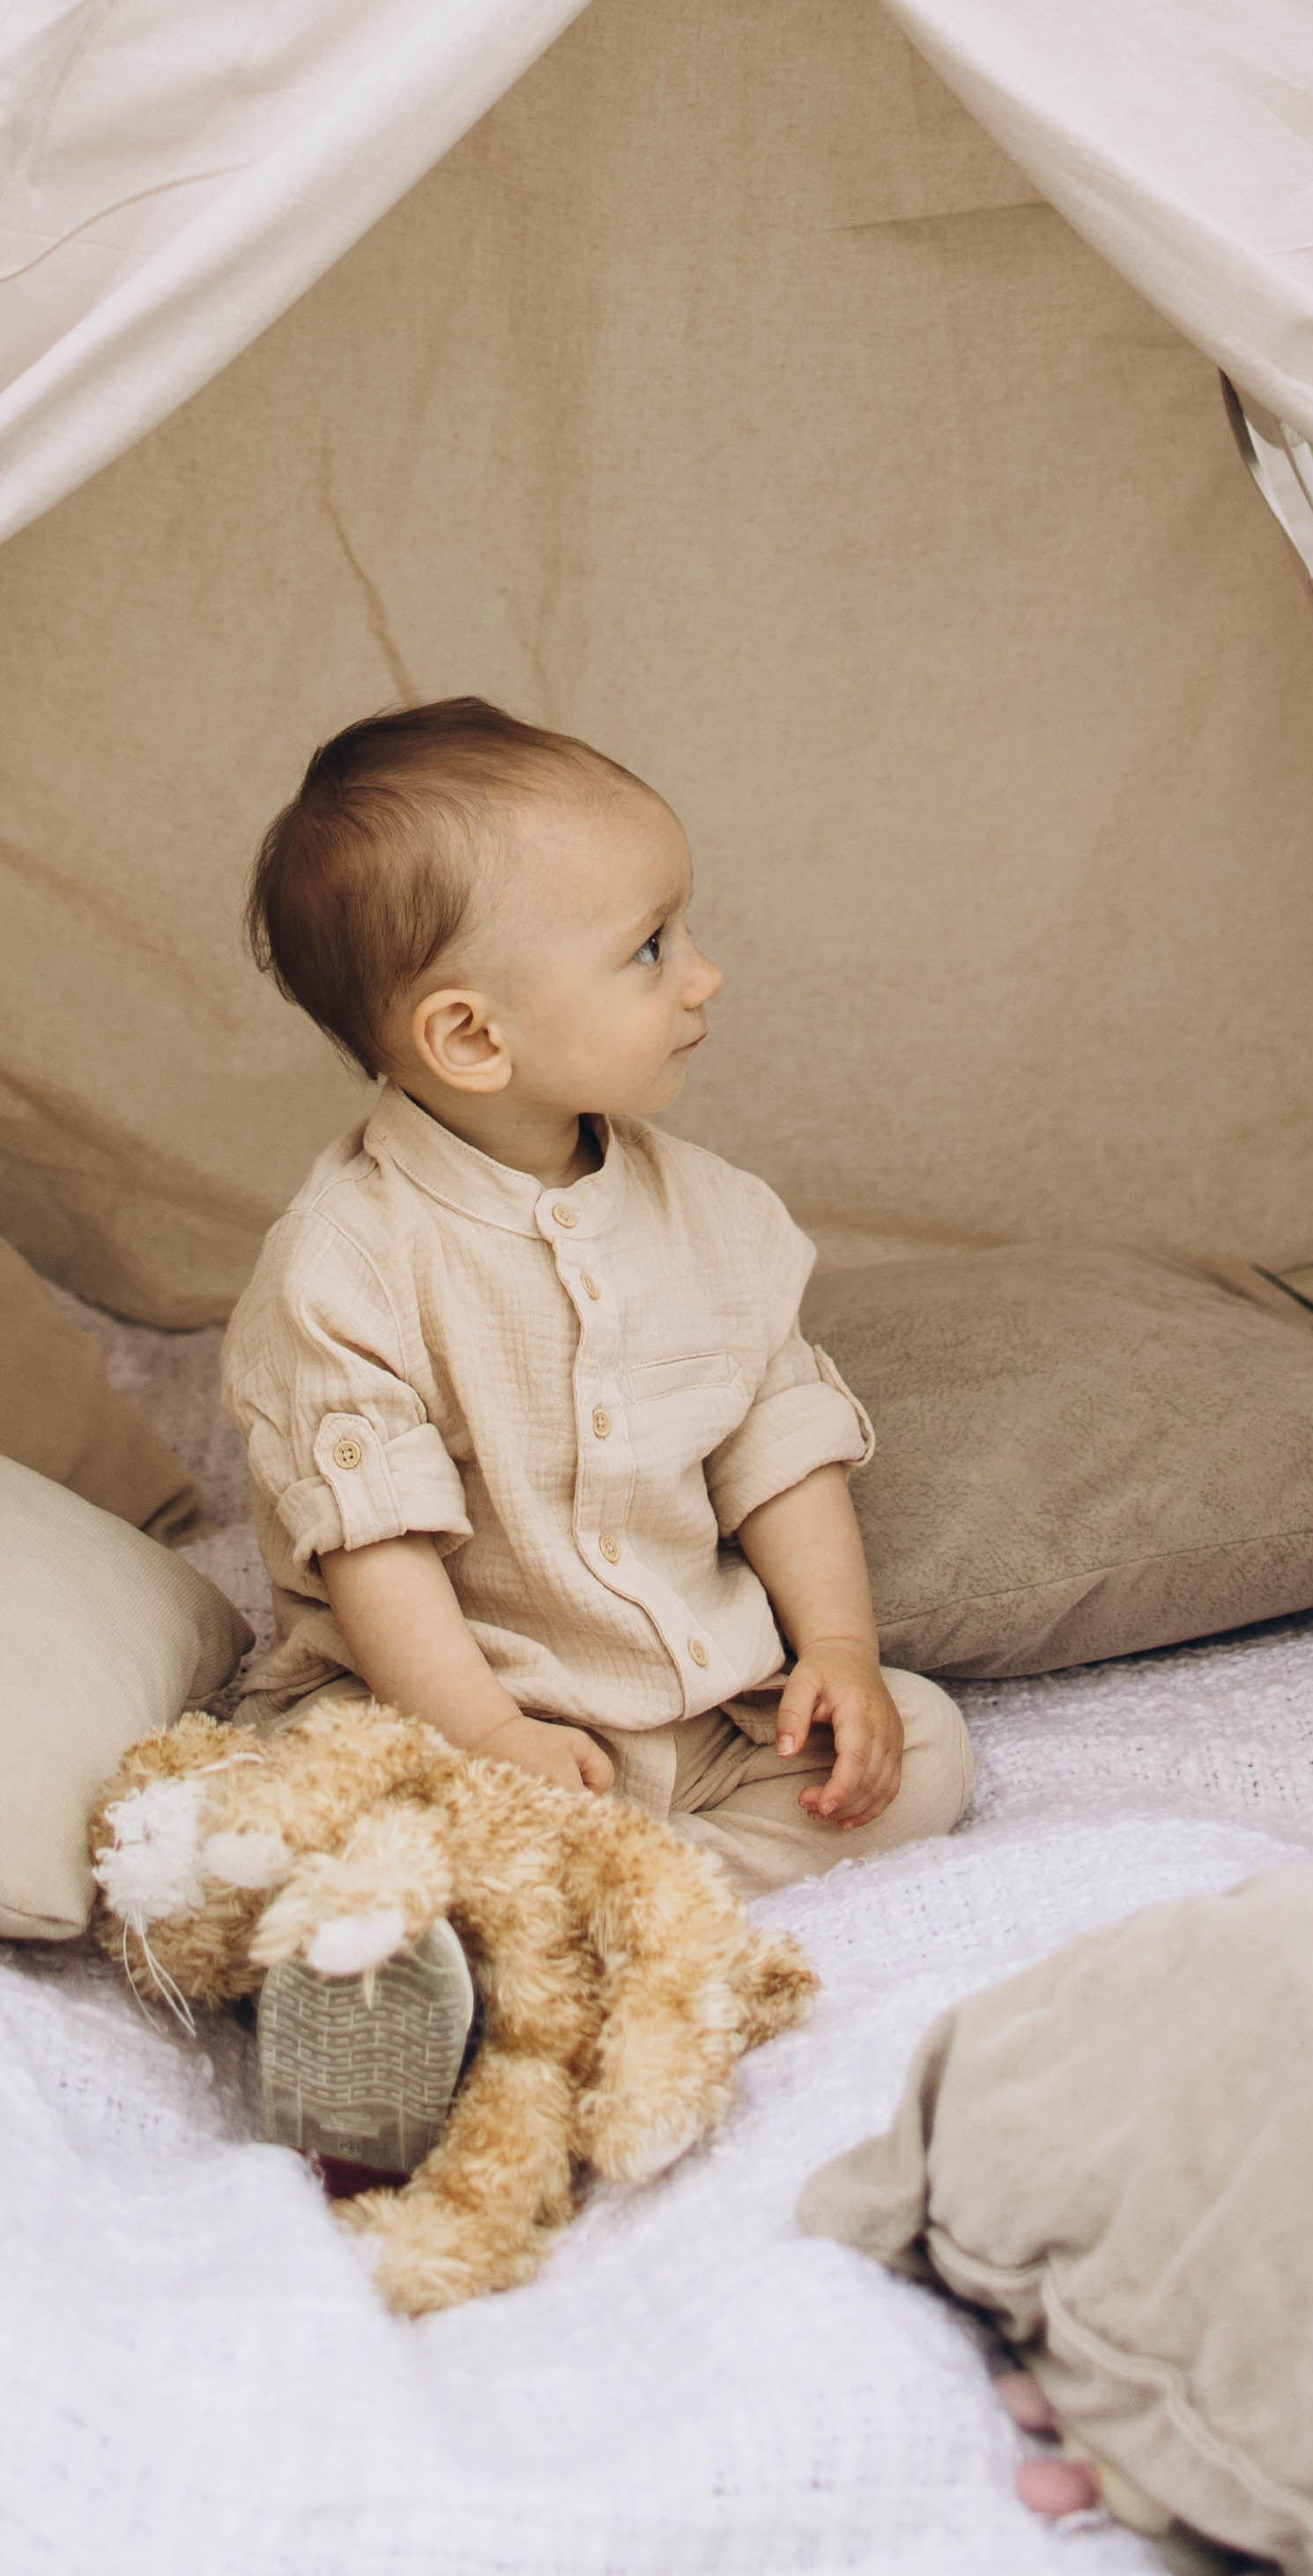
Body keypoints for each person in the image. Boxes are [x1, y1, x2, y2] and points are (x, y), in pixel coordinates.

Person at [224, 698, 970, 2165]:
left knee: (926, 1755)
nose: (704, 975)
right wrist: (489, 1732)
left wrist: (838, 1650)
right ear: (469, 1035)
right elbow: (382, 1557)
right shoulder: (345, 1264)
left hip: (686, 1725)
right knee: (316, 1821)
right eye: (649, 947)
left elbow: (777, 1440)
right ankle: (424, 1954)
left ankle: (597, 1916)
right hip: (446, 1716)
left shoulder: (710, 1212)